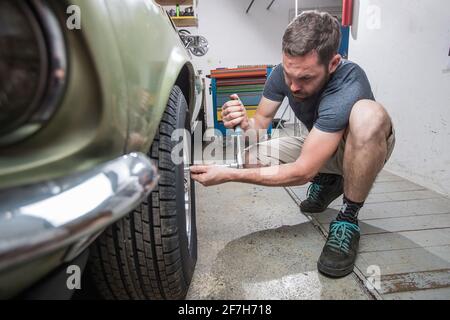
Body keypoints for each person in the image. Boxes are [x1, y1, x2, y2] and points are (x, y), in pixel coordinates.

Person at [190, 10, 395, 278]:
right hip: (320, 142)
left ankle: (348, 217)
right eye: (289, 75)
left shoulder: (348, 81)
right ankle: (330, 178)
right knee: (252, 158)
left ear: (333, 63)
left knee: (369, 114)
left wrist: (228, 175)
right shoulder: (280, 74)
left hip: (357, 147)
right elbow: (258, 129)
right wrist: (243, 123)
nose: (294, 87)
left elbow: (302, 172)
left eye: (306, 78)